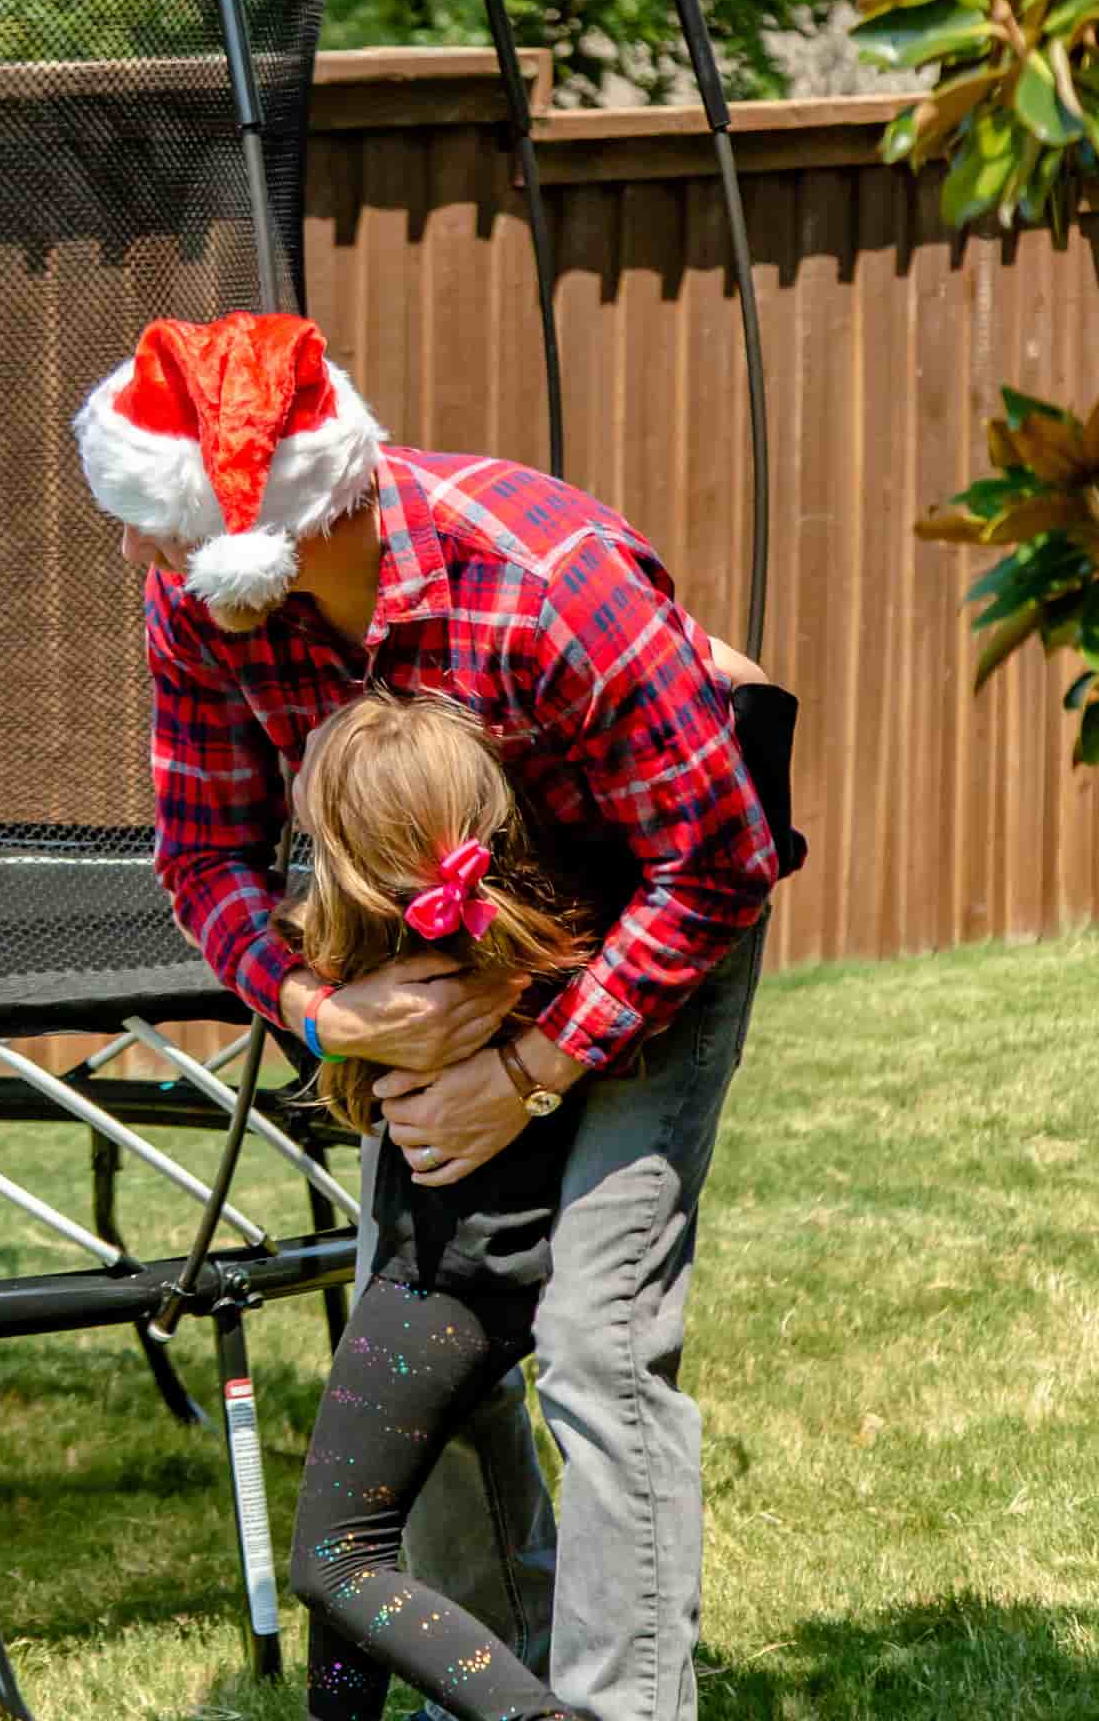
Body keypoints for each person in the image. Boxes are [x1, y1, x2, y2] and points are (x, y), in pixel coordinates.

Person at [72, 312, 792, 1721]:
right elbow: (201, 862)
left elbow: (716, 863)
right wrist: (322, 1012)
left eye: (147, 531)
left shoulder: (549, 580)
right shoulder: (204, 613)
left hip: (658, 925)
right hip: (432, 989)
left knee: (597, 1335)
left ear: (258, 535)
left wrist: (528, 1067)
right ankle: (513, 1676)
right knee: (436, 1364)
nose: (130, 562)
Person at [278, 691, 605, 1720]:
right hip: (475, 1272)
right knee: (352, 1531)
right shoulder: (506, 940)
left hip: (445, 1280)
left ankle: (529, 1714)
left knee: (337, 1560)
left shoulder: (402, 979)